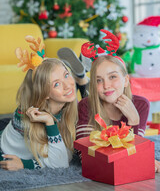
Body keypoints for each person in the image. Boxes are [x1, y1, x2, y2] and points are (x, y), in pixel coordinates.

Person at [76, 29, 160, 173]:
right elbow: (85, 155)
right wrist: (140, 158)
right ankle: (80, 77)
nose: (106, 85)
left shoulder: (141, 104)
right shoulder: (85, 105)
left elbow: (134, 150)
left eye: (113, 77)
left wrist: (133, 119)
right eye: (98, 80)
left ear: (126, 80)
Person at [0, 36, 78, 170]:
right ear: (45, 93)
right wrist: (25, 164)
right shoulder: (30, 117)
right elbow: (59, 163)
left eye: (66, 75)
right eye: (57, 84)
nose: (68, 85)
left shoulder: (65, 104)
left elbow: (67, 153)